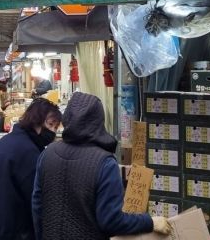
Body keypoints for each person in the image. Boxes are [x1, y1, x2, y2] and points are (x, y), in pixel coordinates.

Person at [32, 92, 171, 239]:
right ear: (98, 121)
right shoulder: (105, 163)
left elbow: (37, 207)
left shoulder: (47, 154)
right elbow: (111, 221)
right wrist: (150, 222)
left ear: (67, 118)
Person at [0, 98, 62, 240]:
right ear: (36, 120)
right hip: (5, 231)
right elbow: (35, 200)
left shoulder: (9, 141)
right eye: (50, 124)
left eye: (55, 128)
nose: (52, 132)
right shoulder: (28, 152)